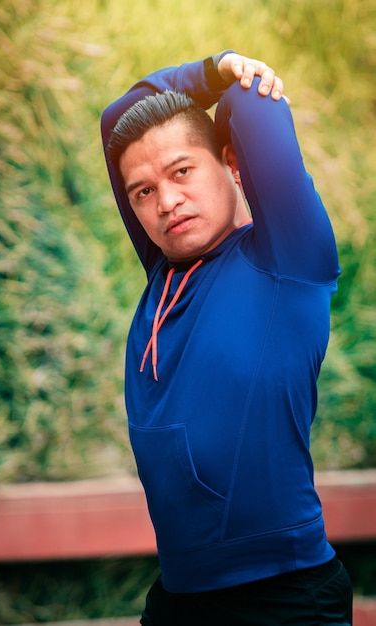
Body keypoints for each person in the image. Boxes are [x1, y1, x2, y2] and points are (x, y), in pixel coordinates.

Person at [101, 50, 353, 625]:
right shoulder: (163, 269)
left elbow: (248, 102)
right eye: (142, 191)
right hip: (180, 601)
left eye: (182, 171)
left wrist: (231, 75)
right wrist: (208, 68)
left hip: (283, 598)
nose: (166, 201)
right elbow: (120, 116)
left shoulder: (287, 259)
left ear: (231, 162)